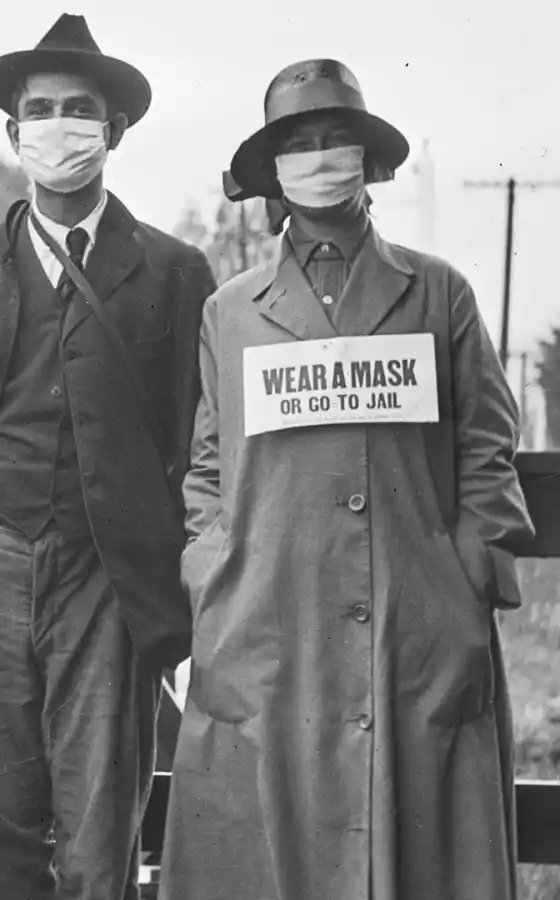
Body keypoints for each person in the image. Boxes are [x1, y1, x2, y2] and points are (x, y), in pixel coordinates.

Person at [160, 59, 534, 900]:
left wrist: (467, 575)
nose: (322, 157)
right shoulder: (231, 311)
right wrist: (211, 571)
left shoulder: (439, 293)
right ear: (273, 173)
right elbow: (209, 466)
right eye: (300, 143)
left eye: (337, 140)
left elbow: (487, 449)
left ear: (368, 161)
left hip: (415, 626)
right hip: (269, 625)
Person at [0, 13, 216, 900]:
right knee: (5, 820)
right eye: (40, 109)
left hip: (109, 577)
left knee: (98, 828)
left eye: (78, 108)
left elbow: (198, 437)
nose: (59, 126)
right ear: (13, 131)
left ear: (113, 130)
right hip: (1, 562)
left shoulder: (173, 270)